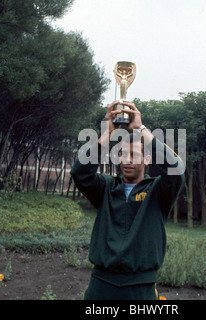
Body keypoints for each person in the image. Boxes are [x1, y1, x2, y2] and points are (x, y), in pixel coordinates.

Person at [71, 100, 185, 300]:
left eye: (134, 154)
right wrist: (107, 134)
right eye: (122, 154)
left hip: (140, 287)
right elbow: (79, 173)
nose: (127, 160)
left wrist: (141, 129)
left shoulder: (158, 192)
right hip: (101, 284)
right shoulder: (105, 188)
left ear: (147, 159)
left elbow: (175, 170)